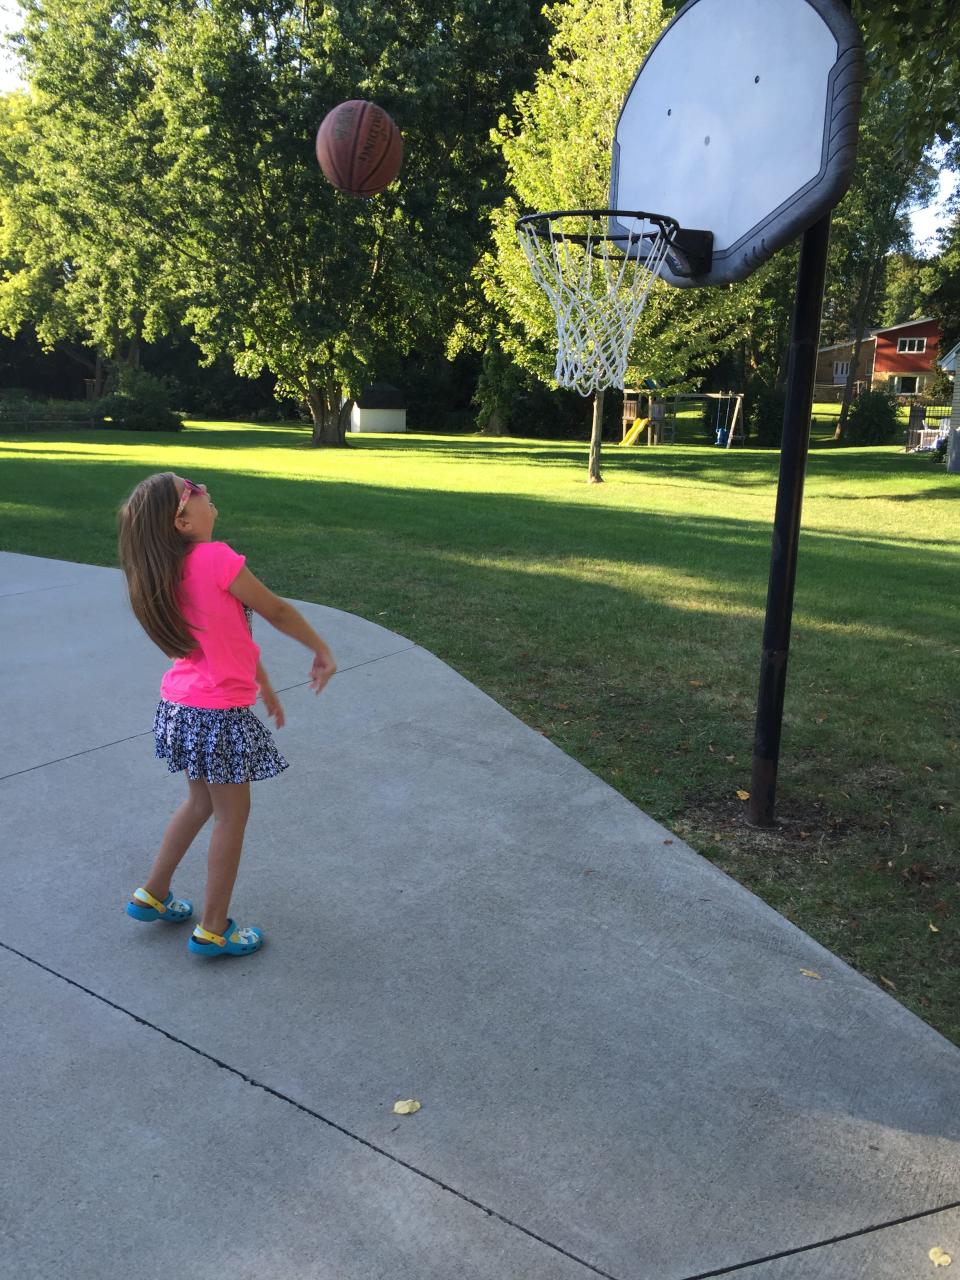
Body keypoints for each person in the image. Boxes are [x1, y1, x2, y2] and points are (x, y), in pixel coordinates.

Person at [117, 472, 336, 959]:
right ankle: (214, 928)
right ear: (181, 519)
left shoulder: (166, 571)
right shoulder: (215, 558)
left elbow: (226, 632)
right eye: (196, 491)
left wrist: (263, 685)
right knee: (231, 818)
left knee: (199, 805)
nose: (206, 494)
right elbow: (275, 611)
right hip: (217, 716)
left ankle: (152, 894)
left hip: (182, 707)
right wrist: (319, 648)